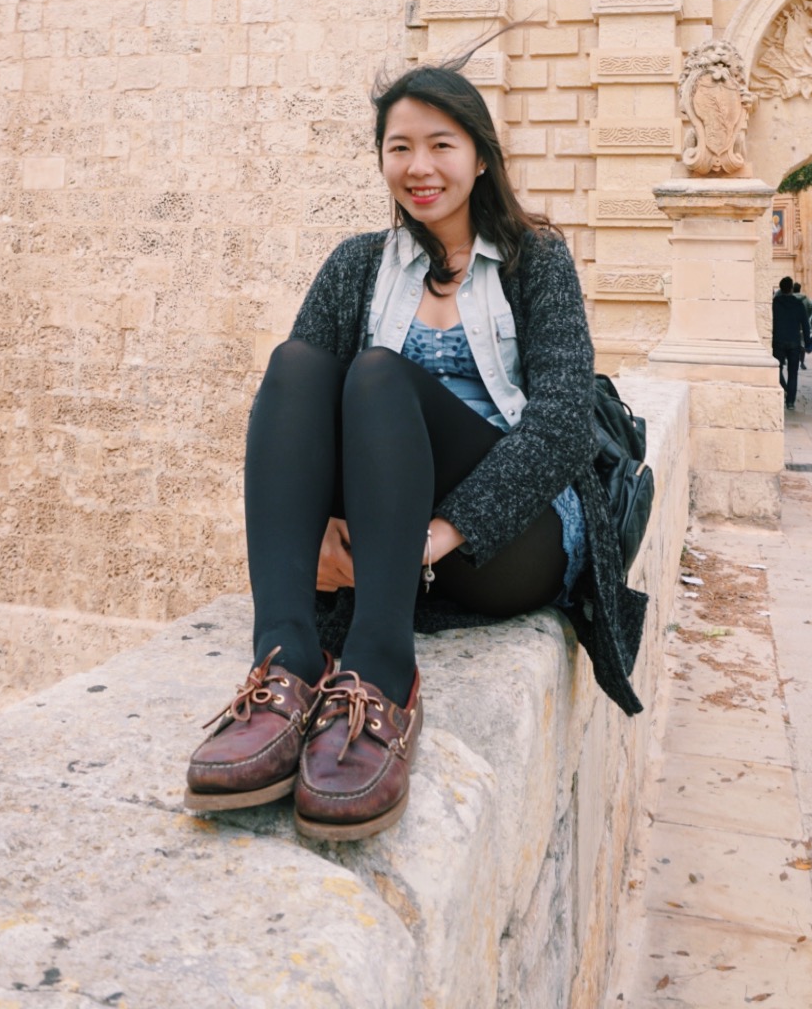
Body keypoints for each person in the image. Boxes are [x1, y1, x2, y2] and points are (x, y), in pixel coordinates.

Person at [182, 50, 647, 841]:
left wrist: (432, 538)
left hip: (509, 539)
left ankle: (382, 673)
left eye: (441, 145)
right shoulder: (357, 265)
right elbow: (302, 416)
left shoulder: (537, 261)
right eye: (400, 147)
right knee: (297, 365)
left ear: (480, 157)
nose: (419, 167)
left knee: (378, 375)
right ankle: (286, 663)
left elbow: (562, 425)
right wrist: (317, 536)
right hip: (385, 525)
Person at [773, 274, 810, 410]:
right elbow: (805, 325)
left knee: (777, 368)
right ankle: (790, 401)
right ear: (791, 289)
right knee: (793, 372)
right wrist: (808, 343)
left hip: (778, 340)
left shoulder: (775, 303)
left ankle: (785, 389)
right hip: (794, 341)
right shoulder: (798, 304)